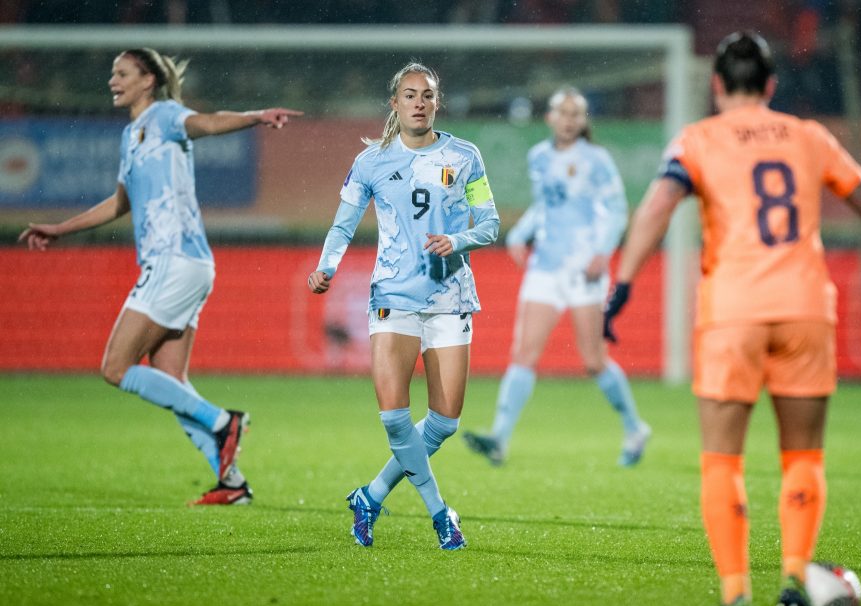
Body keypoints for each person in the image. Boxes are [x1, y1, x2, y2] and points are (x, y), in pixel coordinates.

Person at [603, 32, 861, 606]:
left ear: (715, 86)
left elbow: (657, 208)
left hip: (733, 311)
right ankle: (798, 579)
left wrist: (623, 283)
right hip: (804, 310)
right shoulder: (809, 135)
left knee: (722, 460)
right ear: (770, 85)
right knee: (803, 455)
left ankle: (736, 594)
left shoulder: (699, 140)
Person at [19, 48, 301, 506]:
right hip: (186, 264)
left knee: (115, 367)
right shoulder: (132, 135)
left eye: (123, 73)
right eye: (113, 73)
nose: (113, 80)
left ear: (148, 80)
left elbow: (207, 124)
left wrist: (255, 116)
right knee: (170, 377)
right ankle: (231, 483)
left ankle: (221, 421)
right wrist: (60, 228)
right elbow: (118, 204)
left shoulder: (167, 115)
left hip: (174, 260)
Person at [307, 63, 500, 550]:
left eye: (427, 95)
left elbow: (491, 224)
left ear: (438, 103)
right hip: (394, 297)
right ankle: (441, 512)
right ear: (394, 104)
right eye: (409, 95)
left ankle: (370, 496)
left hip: (450, 297)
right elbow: (343, 224)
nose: (418, 102)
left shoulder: (464, 156)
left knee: (445, 422)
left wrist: (456, 240)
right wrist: (327, 266)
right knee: (395, 417)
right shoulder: (371, 162)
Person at [463, 86, 650, 467]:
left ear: (583, 121)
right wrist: (519, 233)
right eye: (562, 113)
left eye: (575, 114)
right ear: (550, 118)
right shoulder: (539, 156)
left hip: (584, 268)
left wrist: (603, 250)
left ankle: (634, 427)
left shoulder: (596, 160)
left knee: (594, 361)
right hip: (546, 267)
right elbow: (546, 205)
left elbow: (615, 210)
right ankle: (499, 437)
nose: (568, 120)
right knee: (524, 353)